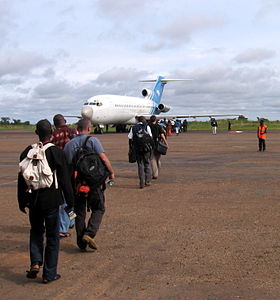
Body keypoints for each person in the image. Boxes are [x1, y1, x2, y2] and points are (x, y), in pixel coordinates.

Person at [17, 119, 74, 283]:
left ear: (36, 133)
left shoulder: (27, 152)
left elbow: (22, 178)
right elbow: (64, 180)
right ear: (52, 132)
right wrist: (70, 201)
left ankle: (35, 262)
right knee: (52, 237)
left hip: (33, 200)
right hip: (51, 201)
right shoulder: (56, 152)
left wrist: (22, 201)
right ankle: (49, 274)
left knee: (35, 231)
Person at [64, 119, 115, 251]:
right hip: (94, 182)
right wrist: (111, 172)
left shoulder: (69, 145)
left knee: (79, 213)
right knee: (99, 208)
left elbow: (67, 166)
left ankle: (81, 243)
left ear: (77, 128)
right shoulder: (93, 141)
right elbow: (103, 158)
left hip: (77, 184)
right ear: (89, 128)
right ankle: (89, 233)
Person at [52, 114, 78, 238]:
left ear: (55, 123)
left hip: (60, 171)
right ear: (65, 121)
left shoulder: (54, 135)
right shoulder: (73, 132)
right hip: (73, 170)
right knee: (72, 198)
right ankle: (72, 221)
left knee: (63, 200)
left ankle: (63, 227)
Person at [128, 116, 153, 189]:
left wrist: (130, 148)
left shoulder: (133, 127)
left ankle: (141, 182)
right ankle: (147, 180)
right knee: (147, 164)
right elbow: (150, 137)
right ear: (144, 120)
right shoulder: (147, 127)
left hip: (137, 149)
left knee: (140, 165)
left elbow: (130, 138)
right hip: (146, 149)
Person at [148, 115, 168, 179]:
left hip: (151, 144)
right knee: (158, 159)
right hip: (158, 144)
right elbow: (162, 135)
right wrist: (165, 142)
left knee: (152, 159)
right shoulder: (158, 126)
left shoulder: (148, 126)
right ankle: (158, 171)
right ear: (155, 120)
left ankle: (155, 174)